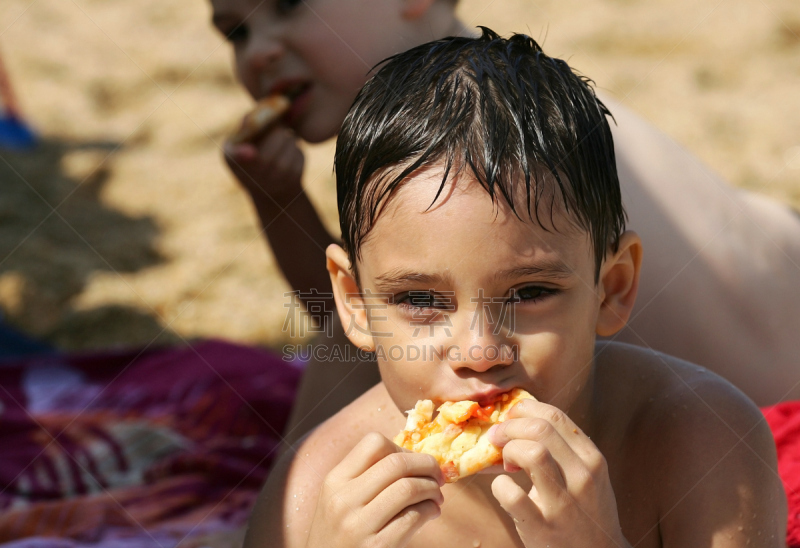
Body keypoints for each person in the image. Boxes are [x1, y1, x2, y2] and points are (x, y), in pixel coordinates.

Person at [182, 31, 796, 548]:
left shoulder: (695, 438)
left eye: (529, 292)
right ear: (355, 303)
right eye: (419, 301)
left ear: (611, 288)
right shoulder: (325, 486)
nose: (479, 350)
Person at [209, 0, 800, 447]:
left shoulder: (462, 150)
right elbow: (371, 317)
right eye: (236, 32)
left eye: (286, 5)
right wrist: (277, 197)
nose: (260, 50)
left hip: (744, 432)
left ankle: (285, 522)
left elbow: (365, 334)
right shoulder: (535, 100)